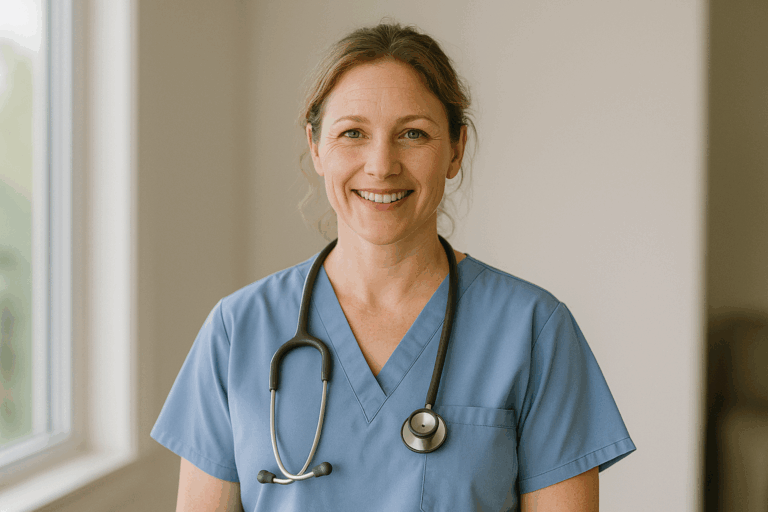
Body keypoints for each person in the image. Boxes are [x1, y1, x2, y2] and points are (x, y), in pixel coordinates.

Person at [151, 22, 635, 512]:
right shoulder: (237, 332)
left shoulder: (534, 331)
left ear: (455, 149)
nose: (381, 165)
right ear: (316, 147)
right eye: (353, 133)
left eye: (413, 133)